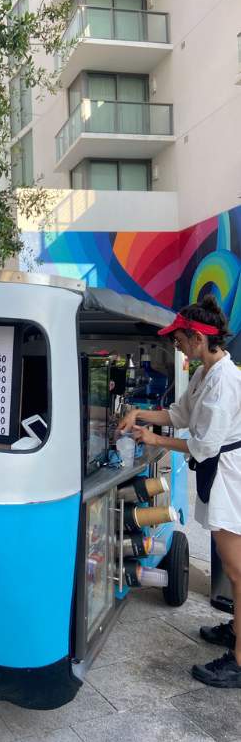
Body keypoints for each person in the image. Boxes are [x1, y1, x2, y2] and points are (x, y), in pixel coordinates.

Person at [118, 294, 241, 688]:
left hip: (228, 474)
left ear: (200, 339)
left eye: (181, 340)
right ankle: (236, 628)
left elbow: (203, 444)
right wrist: (139, 414)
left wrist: (153, 437)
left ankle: (239, 661)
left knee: (238, 570)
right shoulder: (205, 373)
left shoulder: (224, 381)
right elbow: (179, 414)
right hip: (215, 470)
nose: (177, 346)